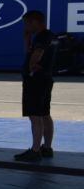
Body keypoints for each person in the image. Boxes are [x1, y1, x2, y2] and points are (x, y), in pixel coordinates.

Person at [16, 9, 56, 162]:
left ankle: (35, 150)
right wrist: (27, 39)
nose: (26, 27)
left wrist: (32, 66)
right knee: (44, 113)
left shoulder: (42, 37)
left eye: (27, 24)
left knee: (35, 116)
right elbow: (31, 51)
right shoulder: (51, 36)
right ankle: (47, 147)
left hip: (36, 81)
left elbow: (37, 54)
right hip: (46, 79)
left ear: (34, 22)